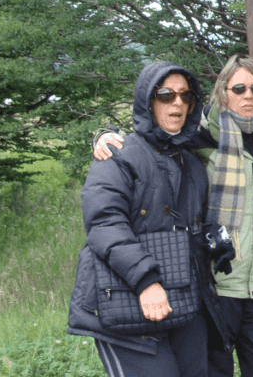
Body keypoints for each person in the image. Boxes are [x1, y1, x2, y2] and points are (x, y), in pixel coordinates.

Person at [94, 55, 253, 377]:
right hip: (217, 284)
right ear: (223, 92)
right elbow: (151, 139)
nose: (248, 95)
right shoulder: (200, 137)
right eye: (239, 87)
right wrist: (105, 136)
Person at [68, 61, 220, 377]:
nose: (177, 102)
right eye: (166, 95)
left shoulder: (193, 164)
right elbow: (104, 223)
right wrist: (146, 282)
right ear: (147, 100)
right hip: (125, 297)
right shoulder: (117, 154)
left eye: (185, 96)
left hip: (185, 296)